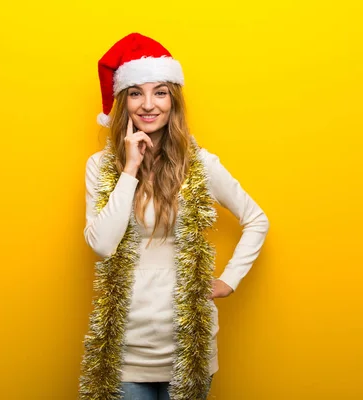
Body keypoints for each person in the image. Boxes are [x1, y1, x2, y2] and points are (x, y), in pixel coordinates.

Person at [78, 33, 270, 400]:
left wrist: (229, 279)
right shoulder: (101, 167)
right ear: (123, 101)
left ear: (173, 100)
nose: (148, 105)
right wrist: (130, 169)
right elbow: (102, 246)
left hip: (188, 346)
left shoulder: (200, 165)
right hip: (124, 346)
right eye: (136, 93)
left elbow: (256, 219)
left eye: (160, 92)